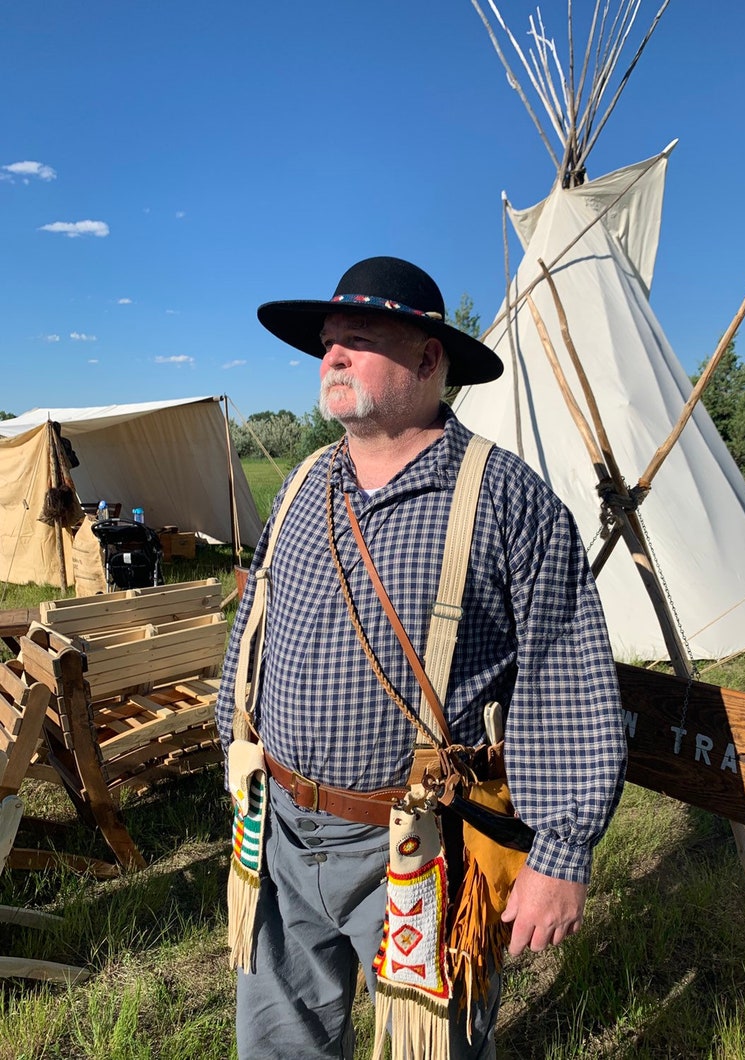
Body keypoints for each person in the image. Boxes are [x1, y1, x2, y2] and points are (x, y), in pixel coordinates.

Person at [215, 255, 627, 1059]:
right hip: (279, 830)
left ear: (430, 360)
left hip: (420, 844)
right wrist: (232, 749)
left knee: (429, 1053)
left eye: (357, 340)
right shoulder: (302, 486)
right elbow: (254, 629)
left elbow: (565, 676)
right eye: (329, 342)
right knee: (275, 1048)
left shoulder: (508, 499)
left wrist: (563, 852)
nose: (331, 356)